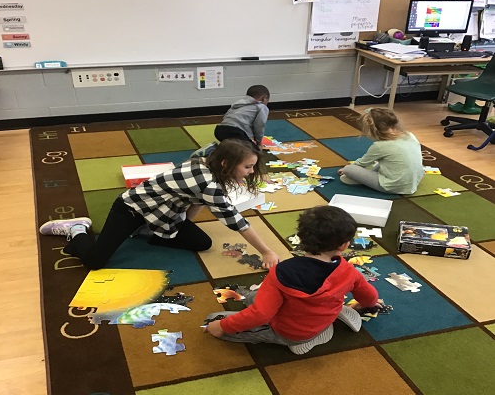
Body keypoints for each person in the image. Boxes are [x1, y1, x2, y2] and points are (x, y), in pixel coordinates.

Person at [39, 139, 280, 270]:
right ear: (226, 163)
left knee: (202, 242)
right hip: (132, 209)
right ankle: (77, 229)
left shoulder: (208, 161)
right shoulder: (207, 182)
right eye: (247, 167)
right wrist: (266, 251)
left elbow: (196, 201)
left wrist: (183, 224)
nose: (250, 172)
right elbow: (237, 222)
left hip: (164, 213)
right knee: (94, 261)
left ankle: (147, 231)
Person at [204, 206, 380, 355]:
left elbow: (261, 315)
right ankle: (325, 326)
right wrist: (367, 304)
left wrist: (222, 326)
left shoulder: (281, 272)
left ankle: (298, 341)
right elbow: (370, 296)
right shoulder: (349, 271)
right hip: (323, 318)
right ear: (343, 245)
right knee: (255, 299)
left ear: (301, 239)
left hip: (290, 333)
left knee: (213, 320)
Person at [338, 108, 424, 194]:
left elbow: (362, 163)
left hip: (392, 186)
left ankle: (363, 180)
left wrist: (346, 169)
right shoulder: (410, 135)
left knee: (348, 169)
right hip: (414, 182)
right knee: (385, 162)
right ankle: (365, 179)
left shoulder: (380, 146)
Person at [215, 85, 270, 150]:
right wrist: (259, 142)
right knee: (252, 151)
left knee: (233, 148)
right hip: (235, 131)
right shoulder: (261, 107)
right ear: (264, 98)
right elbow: (260, 125)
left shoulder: (238, 104)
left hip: (220, 130)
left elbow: (227, 117)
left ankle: (213, 149)